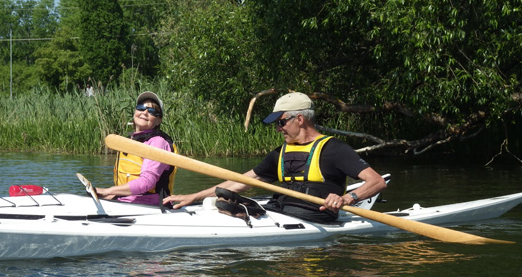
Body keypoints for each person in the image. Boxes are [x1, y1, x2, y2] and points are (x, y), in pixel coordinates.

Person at [163, 92, 387, 223]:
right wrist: (195, 197)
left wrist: (348, 198)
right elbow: (240, 182)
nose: (278, 129)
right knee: (220, 201)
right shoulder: (280, 154)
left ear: (300, 119)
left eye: (281, 122)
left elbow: (376, 182)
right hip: (279, 212)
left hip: (313, 218)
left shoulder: (334, 149)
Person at [96, 91, 178, 206]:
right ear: (135, 112)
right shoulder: (131, 141)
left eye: (152, 111)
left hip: (149, 207)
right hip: (124, 202)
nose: (144, 112)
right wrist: (111, 195)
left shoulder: (158, 142)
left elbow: (146, 183)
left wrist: (107, 191)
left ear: (159, 120)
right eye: (141, 108)